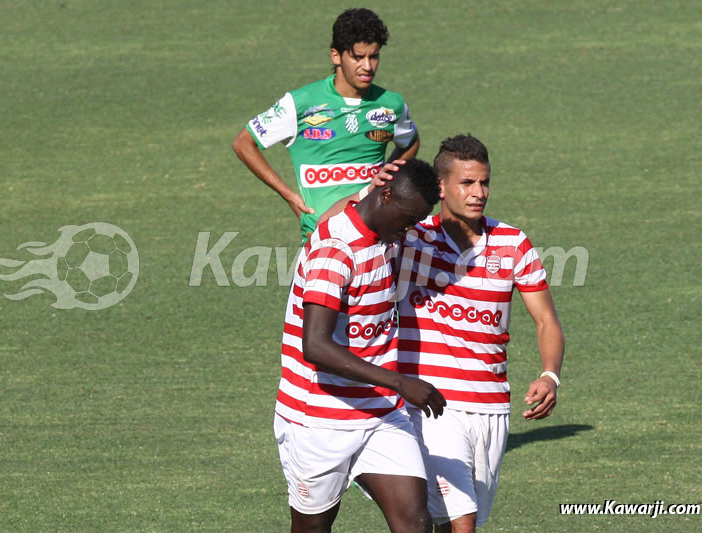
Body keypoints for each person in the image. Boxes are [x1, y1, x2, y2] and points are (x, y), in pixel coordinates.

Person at [397, 135, 565, 532]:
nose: (479, 193)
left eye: (484, 182)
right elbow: (341, 226)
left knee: (450, 520)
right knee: (462, 520)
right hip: (433, 403)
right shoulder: (410, 240)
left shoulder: (513, 243)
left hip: (492, 408)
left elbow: (546, 320)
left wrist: (550, 375)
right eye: (467, 183)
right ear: (440, 187)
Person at [275, 159, 446, 533]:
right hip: (317, 419)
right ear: (385, 197)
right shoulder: (335, 251)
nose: (410, 229)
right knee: (313, 528)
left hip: (380, 412)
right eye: (407, 218)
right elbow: (315, 346)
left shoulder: (386, 234)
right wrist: (400, 382)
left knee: (416, 523)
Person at [232, 7, 420, 243]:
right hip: (322, 239)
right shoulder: (300, 103)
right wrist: (290, 196)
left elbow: (410, 142)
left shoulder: (391, 105)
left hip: (374, 238)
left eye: (374, 56)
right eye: (358, 57)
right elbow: (244, 143)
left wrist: (387, 177)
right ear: (336, 56)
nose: (367, 66)